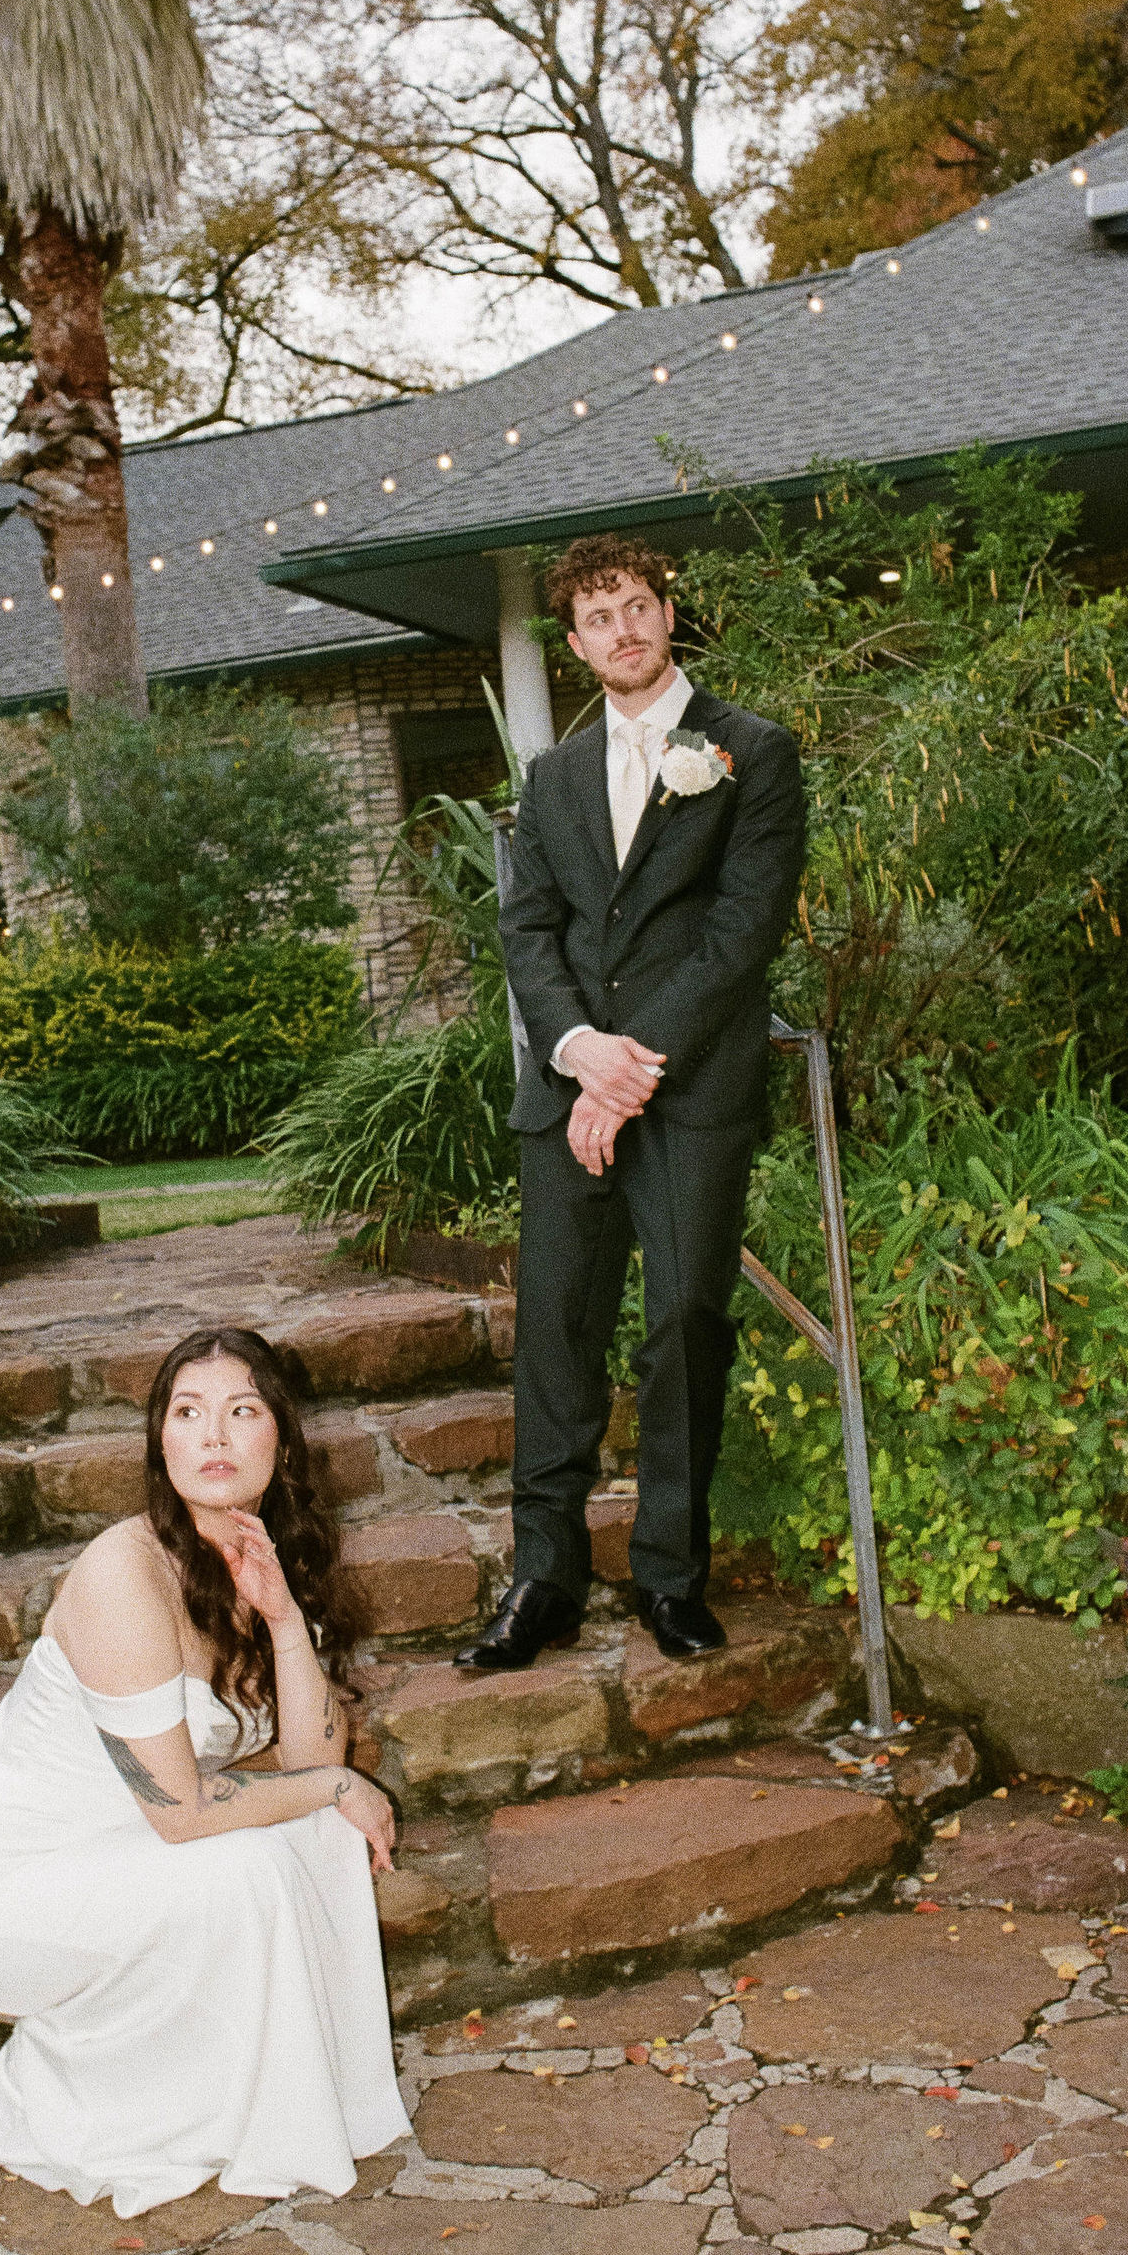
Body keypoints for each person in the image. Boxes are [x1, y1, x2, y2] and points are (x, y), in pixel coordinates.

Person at [0, 1326, 408, 2217]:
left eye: (242, 1410)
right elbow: (184, 1811)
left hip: (119, 1854)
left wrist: (284, 1619)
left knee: (318, 1834)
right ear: (161, 1441)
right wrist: (340, 1786)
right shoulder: (124, 1572)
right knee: (253, 1858)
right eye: (188, 1412)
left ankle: (280, 2100)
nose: (214, 1435)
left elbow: (309, 1757)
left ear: (280, 1438)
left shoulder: (260, 1550)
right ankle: (147, 2105)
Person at [457, 532, 805, 1676]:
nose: (622, 629)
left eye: (636, 606)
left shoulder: (750, 752)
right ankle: (543, 1580)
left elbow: (739, 932)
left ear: (665, 610)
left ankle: (667, 1574)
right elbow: (529, 927)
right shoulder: (551, 777)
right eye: (597, 616)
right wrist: (575, 1051)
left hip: (690, 1090)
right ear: (573, 643)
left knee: (682, 1324)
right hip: (569, 1091)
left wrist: (630, 1067)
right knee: (554, 1330)